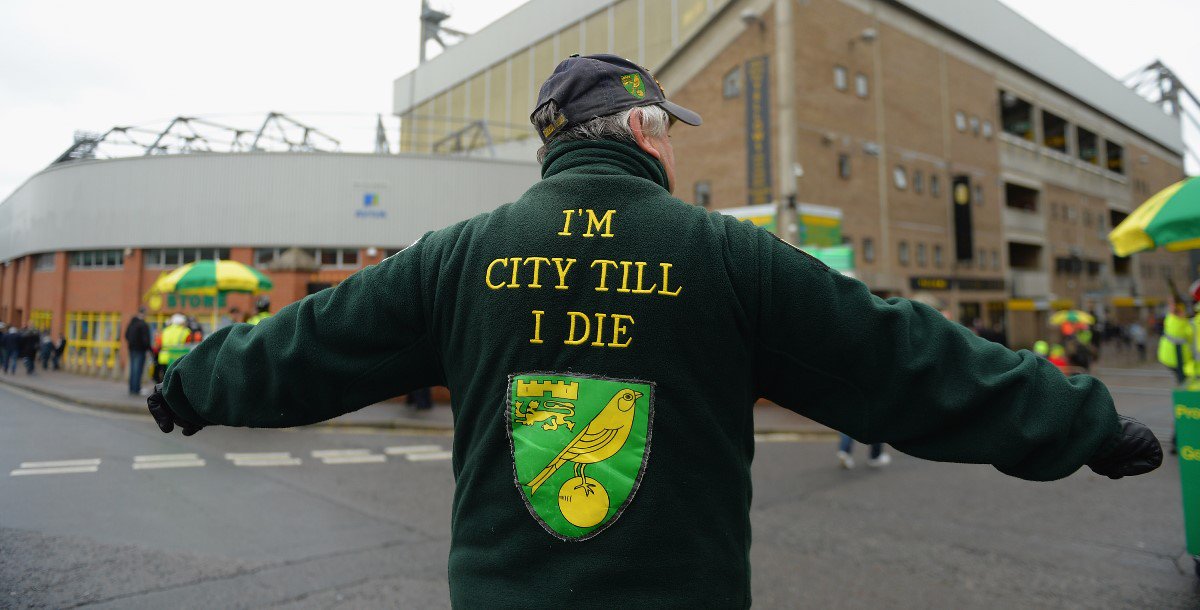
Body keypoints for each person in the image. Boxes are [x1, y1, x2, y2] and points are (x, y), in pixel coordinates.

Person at [146, 54, 1162, 608]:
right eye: (666, 127)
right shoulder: (726, 255)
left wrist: (188, 385)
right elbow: (899, 357)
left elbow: (311, 342)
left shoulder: (459, 256)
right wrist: (1080, 421)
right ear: (639, 130)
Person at [1157, 300, 1192, 384]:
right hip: (1176, 359)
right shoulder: (1177, 322)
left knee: (1184, 382)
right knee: (1185, 383)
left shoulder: (1170, 319)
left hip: (1172, 359)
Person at [153, 314, 193, 383]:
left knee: (165, 379)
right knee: (175, 380)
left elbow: (158, 344)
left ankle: (163, 392)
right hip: (178, 358)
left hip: (164, 358)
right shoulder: (186, 331)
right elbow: (188, 345)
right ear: (182, 323)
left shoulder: (165, 331)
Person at [125, 307, 152, 395]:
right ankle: (136, 389)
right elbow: (146, 340)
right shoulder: (143, 325)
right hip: (140, 350)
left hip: (132, 349)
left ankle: (132, 388)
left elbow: (126, 335)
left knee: (133, 369)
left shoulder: (132, 323)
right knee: (138, 370)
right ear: (144, 313)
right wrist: (148, 349)